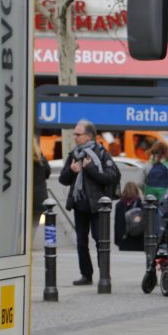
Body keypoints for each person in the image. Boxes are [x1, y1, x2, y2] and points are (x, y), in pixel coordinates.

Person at [58, 120, 121, 285]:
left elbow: (113, 176)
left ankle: (104, 275)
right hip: (80, 205)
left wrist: (90, 169)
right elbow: (63, 179)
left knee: (100, 240)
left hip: (97, 205)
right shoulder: (74, 154)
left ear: (89, 136)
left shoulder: (101, 153)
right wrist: (71, 171)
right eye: (75, 134)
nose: (75, 137)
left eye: (78, 134)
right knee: (81, 242)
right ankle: (86, 275)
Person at [113, 181, 145, 252]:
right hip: (138, 238)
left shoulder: (119, 204)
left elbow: (117, 224)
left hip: (124, 238)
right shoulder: (139, 204)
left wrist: (117, 240)